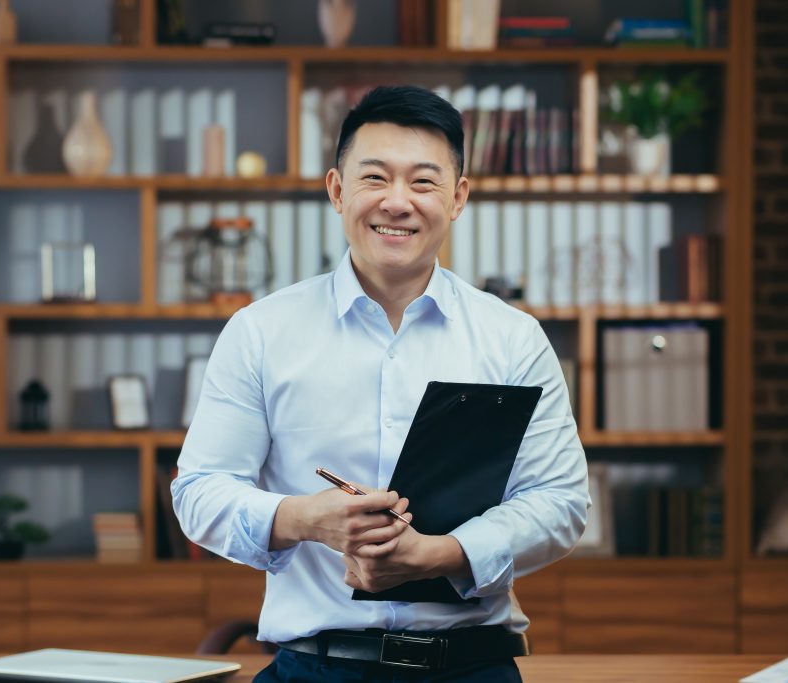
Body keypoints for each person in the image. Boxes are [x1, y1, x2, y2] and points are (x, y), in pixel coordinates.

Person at [172, 85, 589, 682]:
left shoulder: (513, 339)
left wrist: (443, 554)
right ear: (337, 190)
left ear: (459, 197)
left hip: (473, 669)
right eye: (375, 178)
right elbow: (199, 491)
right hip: (314, 669)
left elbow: (561, 502)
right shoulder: (260, 332)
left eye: (423, 182)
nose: (398, 202)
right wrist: (307, 519)